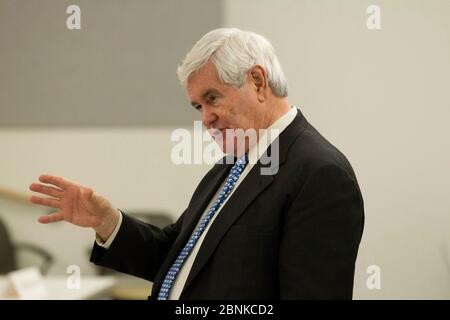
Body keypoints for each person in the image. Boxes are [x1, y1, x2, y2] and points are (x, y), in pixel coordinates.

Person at [29, 28, 364, 299]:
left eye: (212, 98)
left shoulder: (320, 173)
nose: (206, 119)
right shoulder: (234, 162)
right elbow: (175, 257)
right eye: (197, 107)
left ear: (258, 83)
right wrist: (107, 223)